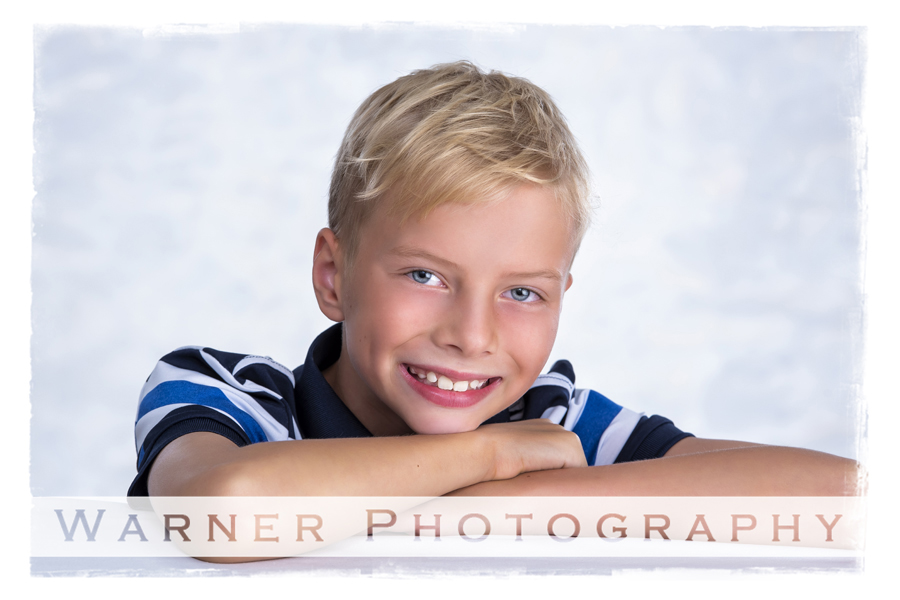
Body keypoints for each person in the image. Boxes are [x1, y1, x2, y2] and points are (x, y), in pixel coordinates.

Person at [130, 61, 860, 509]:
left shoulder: (554, 417)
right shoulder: (228, 394)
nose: (471, 336)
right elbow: (223, 504)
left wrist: (528, 496)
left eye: (521, 293)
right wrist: (489, 461)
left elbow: (845, 494)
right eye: (424, 275)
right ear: (333, 275)